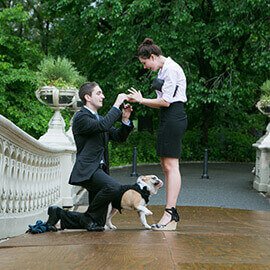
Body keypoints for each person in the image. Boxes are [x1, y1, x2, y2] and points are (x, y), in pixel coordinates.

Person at [46, 81, 133, 231]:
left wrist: (125, 120)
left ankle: (58, 215)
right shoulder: (81, 117)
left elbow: (119, 137)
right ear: (87, 97)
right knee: (114, 187)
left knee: (97, 223)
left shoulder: (99, 118)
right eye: (99, 93)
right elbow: (103, 126)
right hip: (88, 170)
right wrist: (117, 104)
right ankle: (86, 218)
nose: (103, 96)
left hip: (100, 169)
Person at [127, 38, 187, 231]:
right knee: (165, 165)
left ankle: (171, 213)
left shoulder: (171, 69)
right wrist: (140, 100)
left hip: (174, 115)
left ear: (152, 56)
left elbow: (167, 101)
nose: (145, 67)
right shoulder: (163, 69)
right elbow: (162, 101)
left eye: (145, 63)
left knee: (171, 165)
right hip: (166, 117)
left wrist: (141, 100)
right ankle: (169, 212)